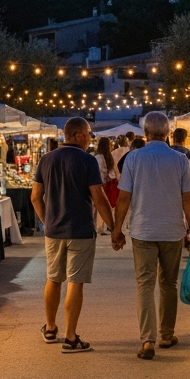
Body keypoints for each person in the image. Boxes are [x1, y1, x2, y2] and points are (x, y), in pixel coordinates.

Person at [112, 112, 190, 359]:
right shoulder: (180, 159)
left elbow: (124, 198)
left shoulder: (134, 159)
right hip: (172, 231)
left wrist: (117, 229)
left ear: (145, 134)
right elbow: (188, 199)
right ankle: (166, 334)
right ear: (168, 133)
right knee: (168, 284)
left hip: (143, 230)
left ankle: (147, 340)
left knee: (145, 284)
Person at [32, 117, 114, 352]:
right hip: (80, 229)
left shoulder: (46, 160)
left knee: (54, 278)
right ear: (78, 135)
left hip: (54, 231)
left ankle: (49, 328)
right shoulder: (87, 161)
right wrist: (114, 227)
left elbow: (36, 196)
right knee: (75, 282)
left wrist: (47, 221)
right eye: (88, 133)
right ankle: (70, 337)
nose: (90, 138)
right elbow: (98, 198)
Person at [94, 137, 120, 207]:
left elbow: (100, 173)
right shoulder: (110, 156)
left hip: (103, 186)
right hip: (112, 183)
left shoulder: (97, 157)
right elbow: (116, 172)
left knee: (102, 208)